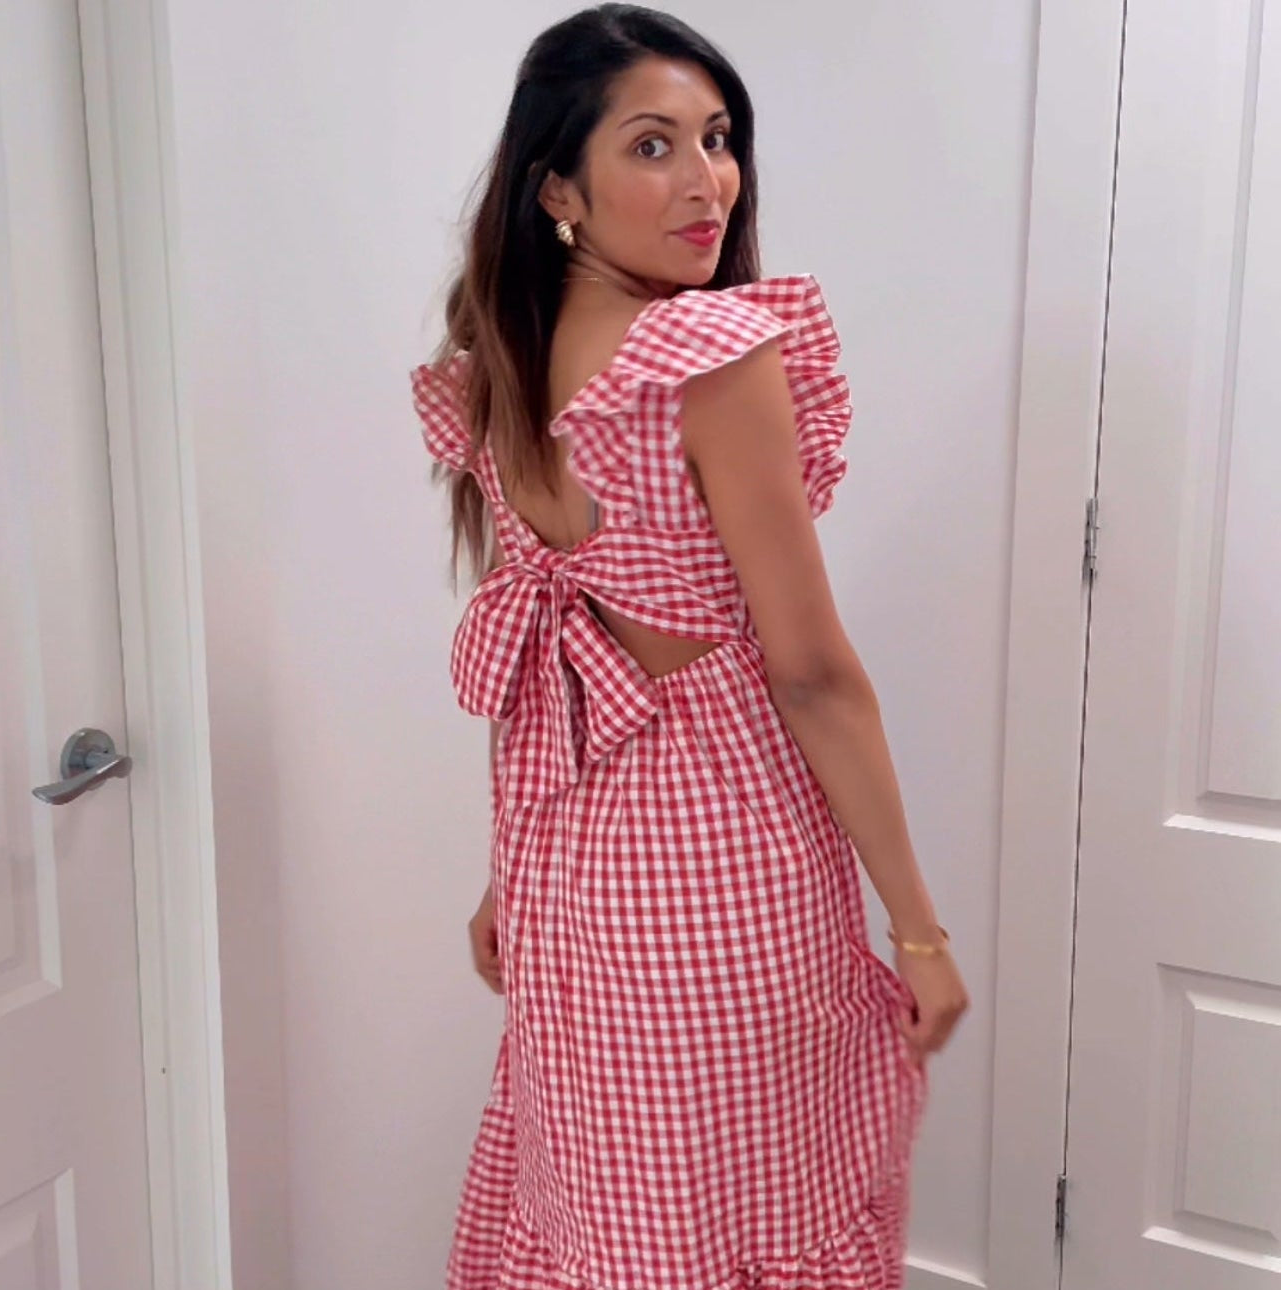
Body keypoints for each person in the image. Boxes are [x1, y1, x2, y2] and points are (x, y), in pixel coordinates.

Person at [411, 5, 968, 1287]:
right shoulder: (704, 357)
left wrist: (511, 876)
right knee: (752, 1222)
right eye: (652, 146)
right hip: (725, 875)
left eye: (718, 139)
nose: (708, 179)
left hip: (576, 890)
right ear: (558, 185)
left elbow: (545, 662)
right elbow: (813, 670)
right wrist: (920, 932)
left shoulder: (500, 357)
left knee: (615, 1222)